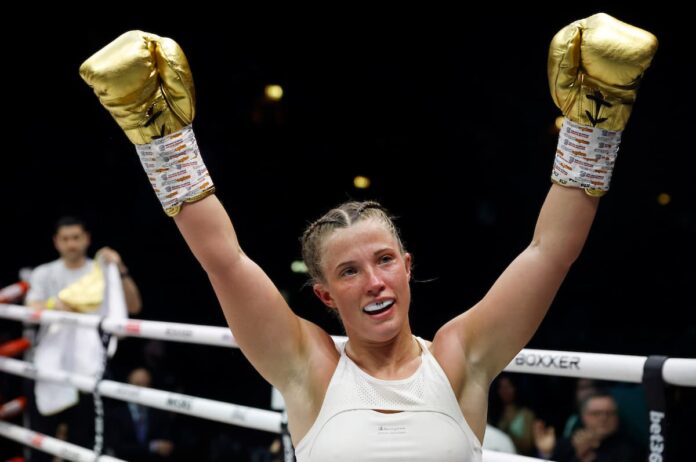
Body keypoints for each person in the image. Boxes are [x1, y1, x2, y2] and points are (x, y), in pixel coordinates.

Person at [79, 13, 657, 462]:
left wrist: (595, 121)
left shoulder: (460, 356)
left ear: (407, 267)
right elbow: (224, 261)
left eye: (383, 260)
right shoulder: (308, 367)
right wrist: (159, 138)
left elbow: (549, 252)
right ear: (326, 294)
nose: (374, 281)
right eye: (349, 271)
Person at [24, 216, 142, 459]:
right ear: (56, 242)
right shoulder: (44, 273)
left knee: (84, 442)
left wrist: (119, 268)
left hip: (89, 365)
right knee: (42, 440)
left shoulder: (101, 271)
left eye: (76, 237)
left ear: (86, 239)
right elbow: (31, 308)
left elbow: (133, 307)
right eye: (65, 239)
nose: (71, 244)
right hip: (50, 364)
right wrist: (53, 305)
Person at [534, 390, 645, 461]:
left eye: (609, 413)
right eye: (596, 413)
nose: (603, 418)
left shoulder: (631, 450)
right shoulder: (566, 444)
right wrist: (546, 453)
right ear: (583, 416)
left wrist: (589, 458)